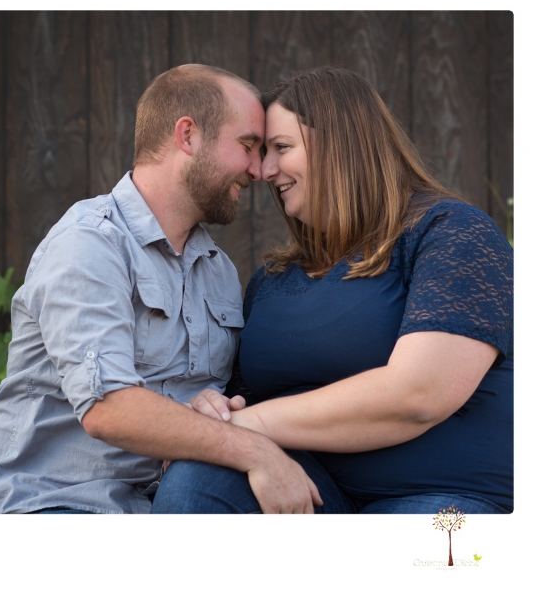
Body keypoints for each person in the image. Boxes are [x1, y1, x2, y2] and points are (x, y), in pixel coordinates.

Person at [151, 66, 513, 514]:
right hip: (312, 489)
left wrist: (244, 425)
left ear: (342, 145)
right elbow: (241, 398)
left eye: (281, 148)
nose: (264, 170)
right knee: (197, 474)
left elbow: (420, 394)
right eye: (261, 152)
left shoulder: (451, 233)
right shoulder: (271, 280)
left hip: (441, 494)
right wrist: (216, 410)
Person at [0, 64, 321, 514]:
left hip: (170, 503)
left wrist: (208, 410)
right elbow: (108, 408)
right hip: (57, 505)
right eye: (247, 146)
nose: (258, 170)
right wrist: (254, 451)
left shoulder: (217, 270)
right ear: (188, 136)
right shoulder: (90, 244)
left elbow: (200, 407)